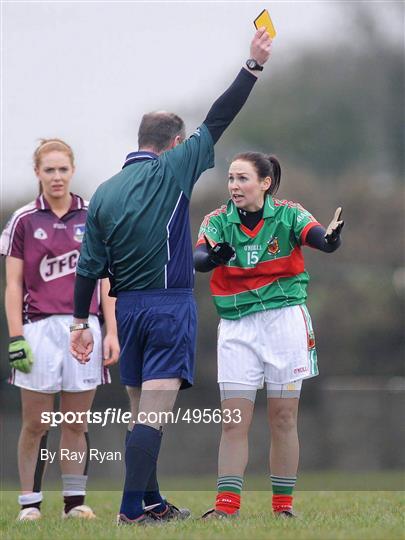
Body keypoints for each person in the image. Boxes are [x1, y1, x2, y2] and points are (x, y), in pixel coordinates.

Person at [69, 28, 272, 526]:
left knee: (141, 413)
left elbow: (88, 268)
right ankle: (130, 511)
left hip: (127, 310)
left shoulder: (104, 193)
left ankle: (153, 502)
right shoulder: (173, 169)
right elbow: (220, 117)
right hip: (167, 307)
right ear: (175, 144)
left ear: (139, 141)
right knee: (153, 418)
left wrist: (80, 322)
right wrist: (253, 65)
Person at [194, 152, 344, 519]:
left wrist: (332, 238)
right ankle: (225, 508)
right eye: (230, 178)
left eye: (242, 178)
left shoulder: (289, 213)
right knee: (233, 420)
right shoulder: (217, 220)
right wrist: (212, 258)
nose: (234, 186)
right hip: (237, 326)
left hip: (284, 324)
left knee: (282, 418)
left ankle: (283, 508)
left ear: (265, 183)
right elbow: (198, 258)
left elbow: (319, 238)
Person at [1, 139, 120, 522]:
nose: (56, 177)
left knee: (75, 421)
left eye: (62, 169)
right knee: (35, 423)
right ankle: (30, 505)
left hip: (83, 328)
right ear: (38, 172)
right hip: (37, 329)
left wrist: (112, 332)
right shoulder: (23, 220)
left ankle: (74, 503)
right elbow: (14, 285)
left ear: (72, 170)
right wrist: (16, 336)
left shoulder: (93, 216)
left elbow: (106, 282)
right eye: (49, 170)